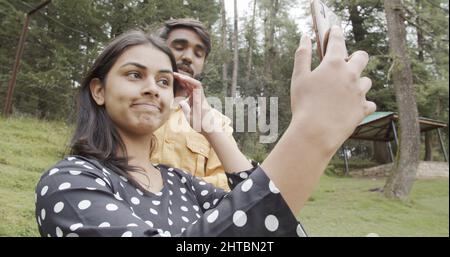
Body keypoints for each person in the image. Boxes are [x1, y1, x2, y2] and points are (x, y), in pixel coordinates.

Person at [34, 25, 375, 237]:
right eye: (135, 75)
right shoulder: (69, 180)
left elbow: (262, 216)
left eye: (164, 81)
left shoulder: (180, 182)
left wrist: (212, 127)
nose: (153, 88)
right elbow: (254, 216)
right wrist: (313, 132)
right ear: (98, 90)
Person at [150, 19, 235, 191]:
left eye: (198, 54)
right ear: (159, 50)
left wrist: (176, 191)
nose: (188, 57)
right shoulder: (132, 104)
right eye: (179, 47)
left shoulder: (219, 123)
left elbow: (228, 180)